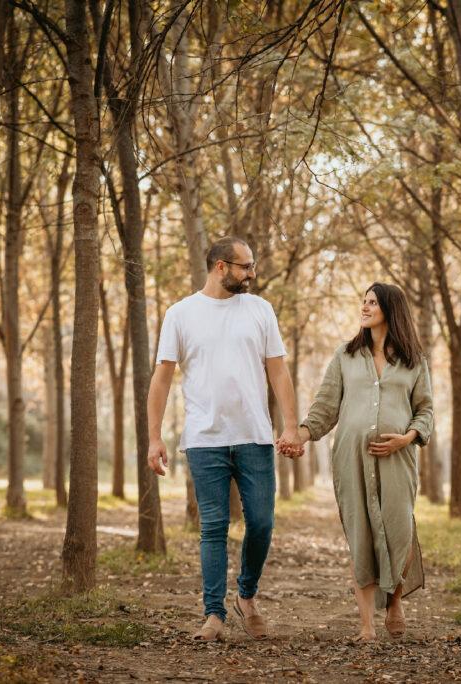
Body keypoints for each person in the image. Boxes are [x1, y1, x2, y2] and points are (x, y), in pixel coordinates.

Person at [146, 236, 303, 642]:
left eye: (251, 265)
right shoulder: (180, 314)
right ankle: (214, 614)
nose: (252, 273)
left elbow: (278, 372)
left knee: (263, 522)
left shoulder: (260, 309)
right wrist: (154, 438)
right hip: (204, 439)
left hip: (254, 436)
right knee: (213, 528)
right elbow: (162, 379)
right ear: (220, 266)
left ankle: (246, 595)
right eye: (244, 266)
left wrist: (291, 425)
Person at [280, 282, 433, 642]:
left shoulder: (413, 362)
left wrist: (407, 438)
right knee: (360, 537)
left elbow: (425, 409)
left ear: (390, 310)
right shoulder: (345, 356)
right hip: (351, 459)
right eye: (363, 302)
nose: (364, 308)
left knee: (400, 532)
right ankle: (366, 626)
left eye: (373, 303)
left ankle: (395, 599)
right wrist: (298, 436)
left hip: (400, 461)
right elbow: (325, 406)